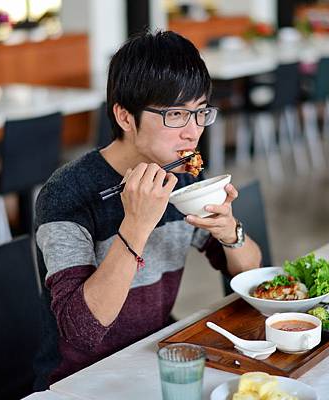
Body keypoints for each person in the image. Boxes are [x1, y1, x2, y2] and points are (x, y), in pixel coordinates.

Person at [32, 30, 262, 389]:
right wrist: (137, 224)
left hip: (154, 355)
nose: (193, 132)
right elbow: (82, 330)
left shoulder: (182, 178)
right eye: (175, 114)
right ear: (125, 117)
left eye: (200, 113)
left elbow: (249, 270)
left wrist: (230, 232)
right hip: (81, 381)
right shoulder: (66, 195)